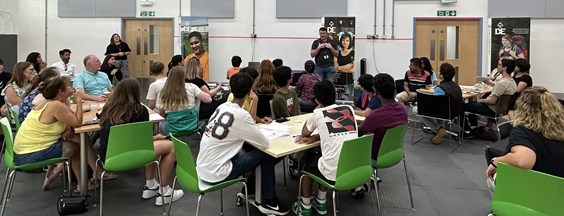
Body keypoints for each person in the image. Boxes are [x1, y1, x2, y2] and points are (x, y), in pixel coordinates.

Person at [196, 72, 289, 215]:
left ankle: (251, 188)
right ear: (249, 91)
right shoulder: (241, 115)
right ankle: (270, 201)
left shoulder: (221, 107)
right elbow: (264, 143)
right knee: (266, 155)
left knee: (254, 155)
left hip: (202, 167)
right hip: (218, 171)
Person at [13, 76, 108, 192]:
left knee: (81, 139)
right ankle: (85, 183)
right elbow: (77, 122)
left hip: (23, 150)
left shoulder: (49, 102)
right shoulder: (55, 105)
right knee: (76, 147)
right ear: (60, 91)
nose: (72, 86)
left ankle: (95, 174)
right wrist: (78, 100)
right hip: (28, 155)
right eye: (69, 85)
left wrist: (66, 128)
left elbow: (65, 117)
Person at [98, 78, 184, 206]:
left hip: (109, 158)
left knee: (153, 143)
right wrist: (156, 137)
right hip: (134, 154)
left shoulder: (107, 110)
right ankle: (164, 191)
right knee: (170, 146)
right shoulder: (140, 110)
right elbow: (142, 141)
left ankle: (151, 187)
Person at [293, 80, 358, 216]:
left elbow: (304, 133)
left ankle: (305, 207)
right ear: (335, 94)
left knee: (306, 168)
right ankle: (321, 202)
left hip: (332, 171)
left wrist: (315, 111)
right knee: (323, 157)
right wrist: (317, 137)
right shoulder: (349, 109)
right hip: (351, 166)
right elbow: (337, 132)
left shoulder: (318, 113)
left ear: (317, 99)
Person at [486, 86, 564, 193]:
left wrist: (496, 162)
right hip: (558, 191)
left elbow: (522, 160)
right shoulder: (560, 128)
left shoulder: (523, 131)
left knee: (492, 177)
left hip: (539, 192)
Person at [354, 73, 408, 196]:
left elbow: (358, 133)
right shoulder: (403, 108)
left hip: (374, 155)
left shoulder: (376, 116)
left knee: (350, 145)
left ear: (376, 93)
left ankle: (358, 182)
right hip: (395, 152)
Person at [463, 59, 516, 134]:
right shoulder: (512, 82)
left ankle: (467, 130)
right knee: (473, 103)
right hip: (501, 109)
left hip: (491, 109)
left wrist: (480, 100)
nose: (497, 66)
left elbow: (492, 101)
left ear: (505, 68)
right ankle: (474, 126)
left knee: (464, 106)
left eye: (499, 65)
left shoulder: (501, 83)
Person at [414, 63, 463, 145]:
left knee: (416, 109)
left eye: (439, 70)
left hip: (443, 113)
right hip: (455, 112)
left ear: (442, 75)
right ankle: (440, 129)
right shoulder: (456, 86)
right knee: (440, 110)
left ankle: (438, 129)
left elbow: (435, 104)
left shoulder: (440, 88)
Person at [334, 32, 355, 97]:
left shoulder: (353, 53)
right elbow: (336, 68)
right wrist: (347, 66)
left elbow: (352, 69)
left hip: (348, 81)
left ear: (350, 41)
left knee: (346, 99)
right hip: (338, 81)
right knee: (338, 100)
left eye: (347, 40)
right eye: (343, 40)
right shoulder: (337, 53)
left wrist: (340, 68)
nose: (345, 42)